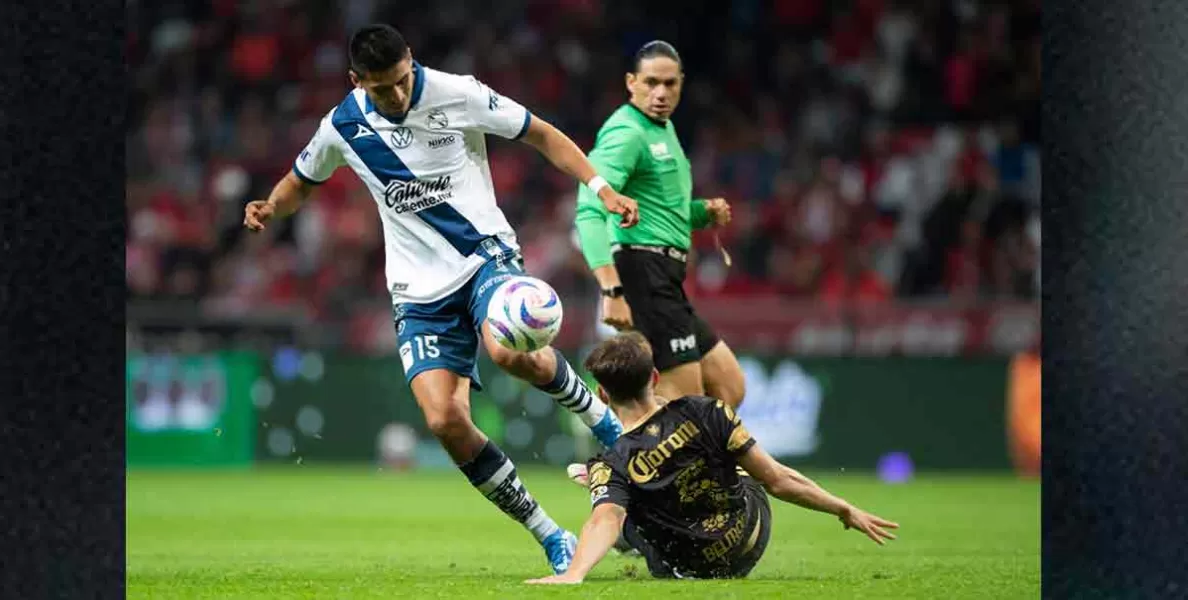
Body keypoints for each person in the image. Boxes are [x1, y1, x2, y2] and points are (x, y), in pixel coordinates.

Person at [241, 24, 641, 575]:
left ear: (413, 61)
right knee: (443, 419)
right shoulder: (342, 126)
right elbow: (299, 181)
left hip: (483, 257)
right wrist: (269, 206)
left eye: (403, 81)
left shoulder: (458, 93)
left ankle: (604, 422)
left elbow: (541, 134)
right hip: (417, 291)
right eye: (382, 90)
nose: (398, 96)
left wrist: (602, 188)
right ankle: (551, 534)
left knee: (506, 348)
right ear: (358, 81)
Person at [526, 332, 899, 584]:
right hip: (751, 536)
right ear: (655, 377)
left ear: (603, 396)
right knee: (731, 458)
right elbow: (777, 480)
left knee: (621, 501)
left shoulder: (615, 462)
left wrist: (574, 574)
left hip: (691, 569)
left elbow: (604, 520)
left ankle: (616, 496)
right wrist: (843, 508)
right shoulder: (707, 410)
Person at [573, 41, 746, 411]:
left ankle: (648, 457)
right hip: (641, 274)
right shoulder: (627, 132)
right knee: (684, 403)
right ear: (631, 82)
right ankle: (624, 462)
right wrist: (611, 290)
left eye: (670, 84)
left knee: (729, 387)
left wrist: (702, 213)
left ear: (681, 83)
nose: (661, 93)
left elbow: (664, 211)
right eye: (651, 82)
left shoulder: (661, 131)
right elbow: (589, 208)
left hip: (665, 278)